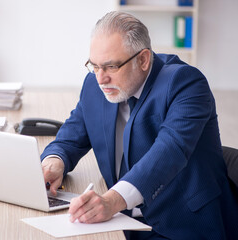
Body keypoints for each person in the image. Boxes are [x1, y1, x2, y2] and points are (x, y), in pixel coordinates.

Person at [41, 11, 238, 239]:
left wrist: (111, 201)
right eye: (94, 66)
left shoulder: (185, 83)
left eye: (111, 67)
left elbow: (169, 152)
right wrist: (55, 161)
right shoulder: (95, 86)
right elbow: (71, 135)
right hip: (122, 222)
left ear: (143, 60)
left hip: (184, 226)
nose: (100, 78)